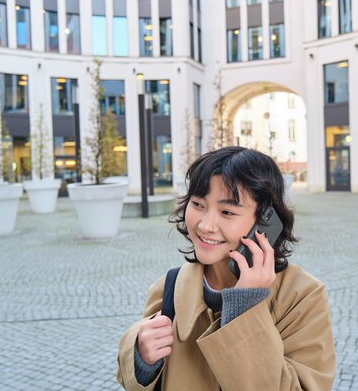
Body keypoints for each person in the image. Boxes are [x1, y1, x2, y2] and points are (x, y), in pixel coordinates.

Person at [117, 146, 335, 391]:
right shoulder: (168, 287)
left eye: (227, 211)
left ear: (266, 221)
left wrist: (245, 308)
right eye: (198, 204)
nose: (205, 225)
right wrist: (143, 360)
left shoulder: (302, 296)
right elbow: (136, 381)